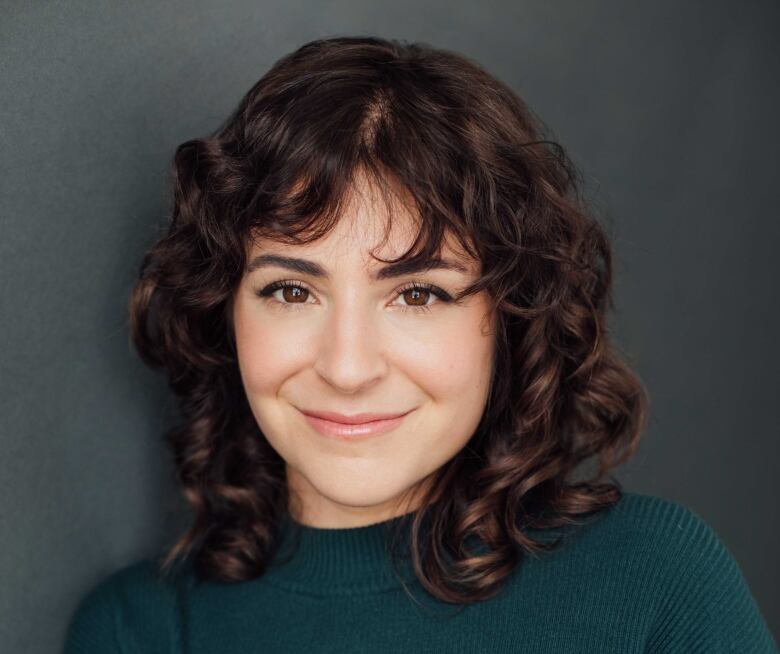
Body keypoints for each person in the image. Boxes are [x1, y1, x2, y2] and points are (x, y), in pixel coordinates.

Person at [63, 36, 778, 653]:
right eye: (291, 291)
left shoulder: (650, 580)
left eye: (417, 294)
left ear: (510, 316)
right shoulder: (141, 631)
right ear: (225, 309)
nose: (347, 367)